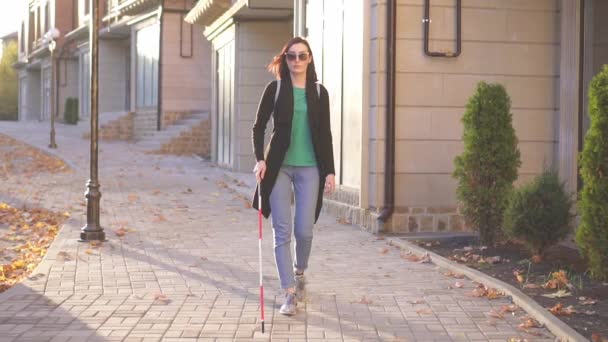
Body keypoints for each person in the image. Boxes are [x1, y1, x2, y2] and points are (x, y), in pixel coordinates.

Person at [252, 37, 335, 316]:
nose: (296, 61)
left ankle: (300, 273)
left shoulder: (319, 93)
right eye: (291, 56)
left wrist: (331, 171)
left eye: (302, 56)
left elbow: (325, 135)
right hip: (279, 168)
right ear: (284, 59)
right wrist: (260, 160)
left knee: (304, 230)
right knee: (282, 232)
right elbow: (258, 126)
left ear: (310, 59)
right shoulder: (275, 89)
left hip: (310, 167)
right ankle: (289, 293)